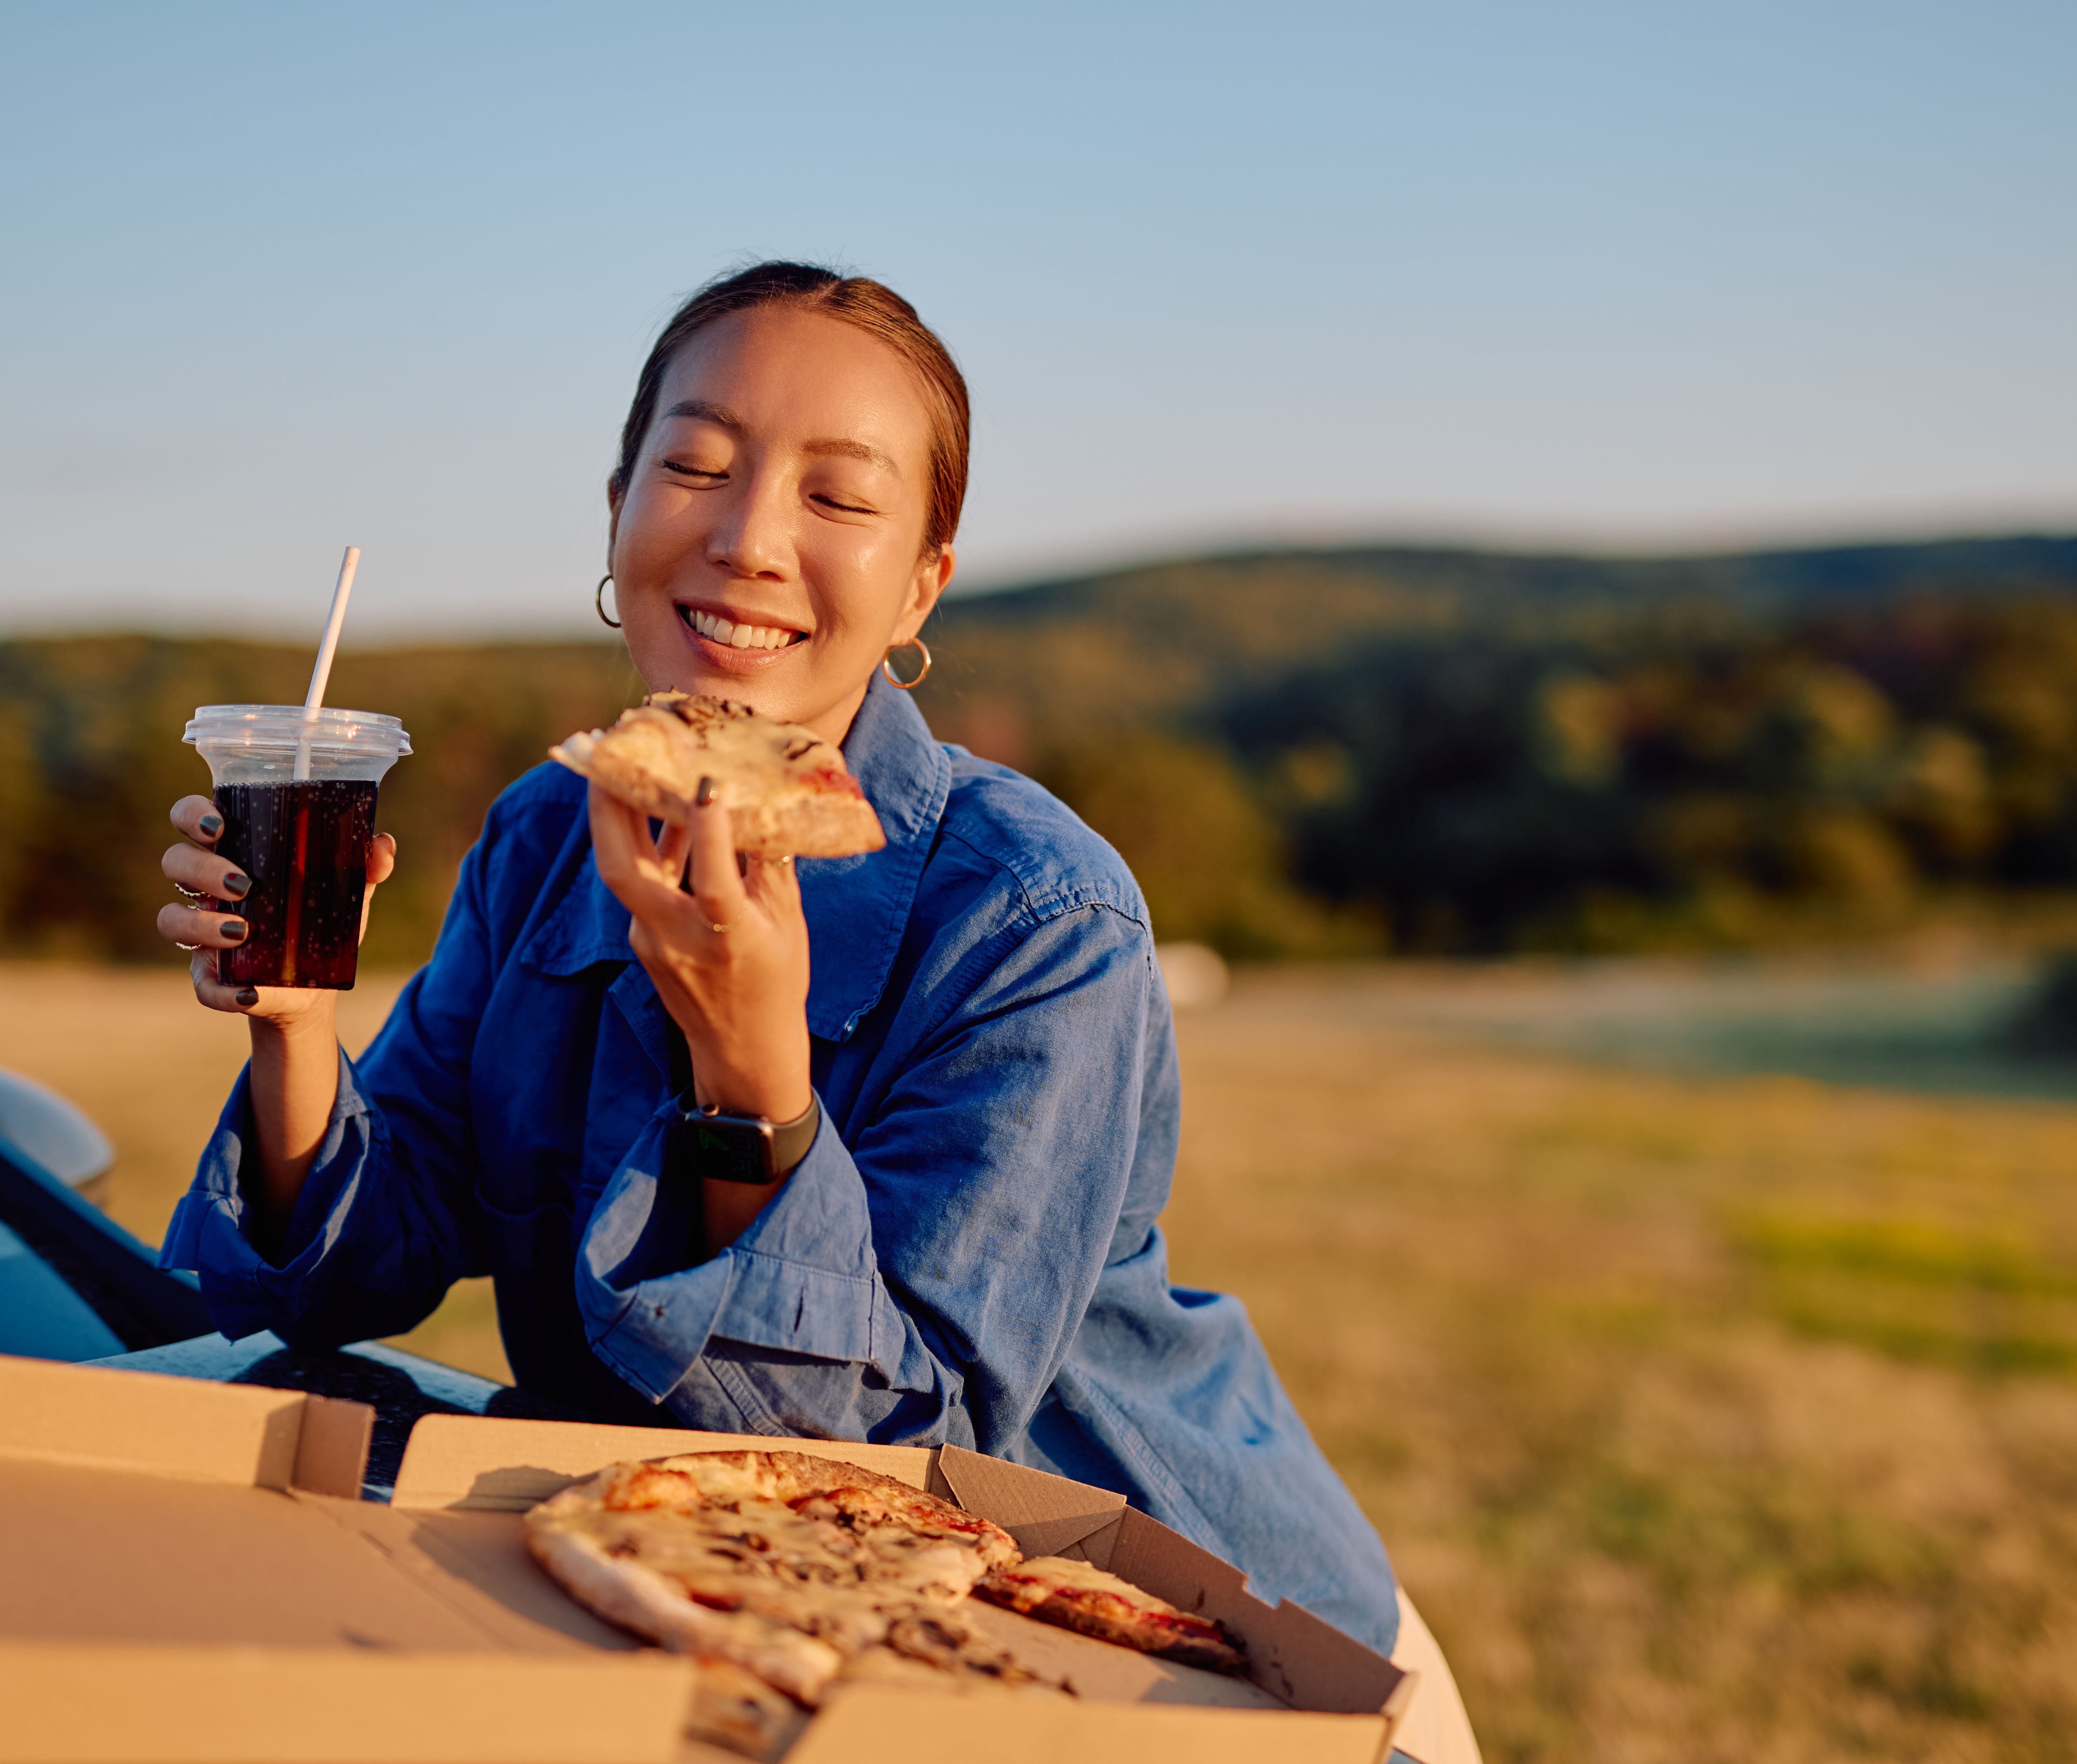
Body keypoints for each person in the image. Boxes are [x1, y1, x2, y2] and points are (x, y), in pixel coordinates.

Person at [152, 262, 1404, 1655]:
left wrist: (753, 1074)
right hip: (728, 1593)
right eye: (693, 466)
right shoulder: (540, 840)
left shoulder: (1041, 921)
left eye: (839, 499)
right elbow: (344, 1282)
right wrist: (295, 1021)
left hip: (1168, 1626)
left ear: (921, 587)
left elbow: (897, 1473)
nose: (748, 539)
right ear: (616, 513)